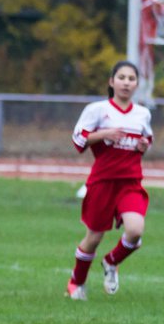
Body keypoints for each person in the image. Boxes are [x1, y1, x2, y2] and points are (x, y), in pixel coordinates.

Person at [66, 61, 154, 300]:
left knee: (135, 231)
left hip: (130, 182)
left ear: (136, 84)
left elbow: (146, 141)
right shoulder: (97, 110)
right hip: (103, 182)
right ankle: (76, 282)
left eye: (131, 79)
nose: (126, 82)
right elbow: (78, 140)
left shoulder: (142, 113)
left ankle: (111, 262)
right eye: (122, 77)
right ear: (111, 81)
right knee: (93, 238)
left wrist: (143, 146)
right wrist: (104, 134)